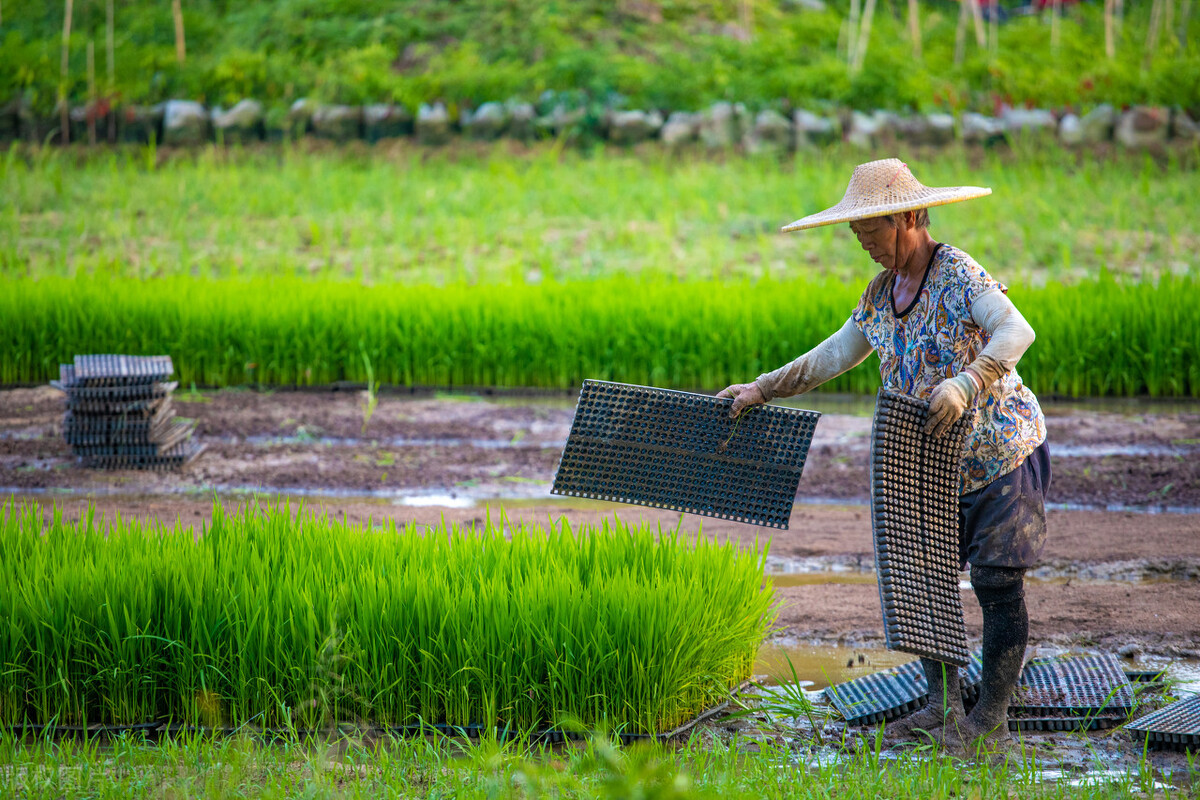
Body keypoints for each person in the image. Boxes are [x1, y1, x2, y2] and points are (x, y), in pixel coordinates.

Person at [718, 158, 1050, 752]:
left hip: (999, 454)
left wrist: (968, 382)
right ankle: (942, 706)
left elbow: (1015, 331)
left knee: (998, 581)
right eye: (858, 235)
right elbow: (836, 354)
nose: (867, 244)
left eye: (874, 231)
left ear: (912, 217)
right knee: (923, 582)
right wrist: (763, 387)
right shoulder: (879, 295)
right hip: (928, 464)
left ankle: (989, 719)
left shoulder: (958, 275)